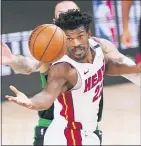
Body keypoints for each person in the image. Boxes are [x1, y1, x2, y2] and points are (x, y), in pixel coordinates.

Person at [5, 10, 141, 145]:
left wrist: (134, 68)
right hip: (68, 135)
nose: (75, 43)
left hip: (88, 132)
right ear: (62, 39)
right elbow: (47, 95)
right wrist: (31, 102)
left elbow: (110, 65)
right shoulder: (63, 68)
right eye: (69, 38)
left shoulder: (98, 48)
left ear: (88, 33)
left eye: (80, 36)